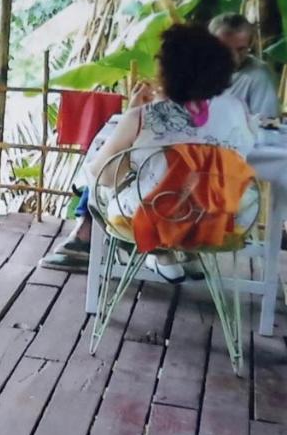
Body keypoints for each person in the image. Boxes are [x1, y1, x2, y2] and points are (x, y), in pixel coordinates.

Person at [43, 24, 255, 280]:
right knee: (188, 185)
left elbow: (104, 175)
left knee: (100, 185)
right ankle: (185, 255)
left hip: (155, 217)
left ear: (167, 71)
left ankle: (157, 252)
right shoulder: (238, 111)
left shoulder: (144, 116)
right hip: (224, 220)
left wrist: (133, 112)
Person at [209, 13, 280, 119]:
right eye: (225, 49)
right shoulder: (198, 70)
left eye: (241, 49)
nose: (234, 57)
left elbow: (267, 125)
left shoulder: (259, 76)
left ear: (250, 45)